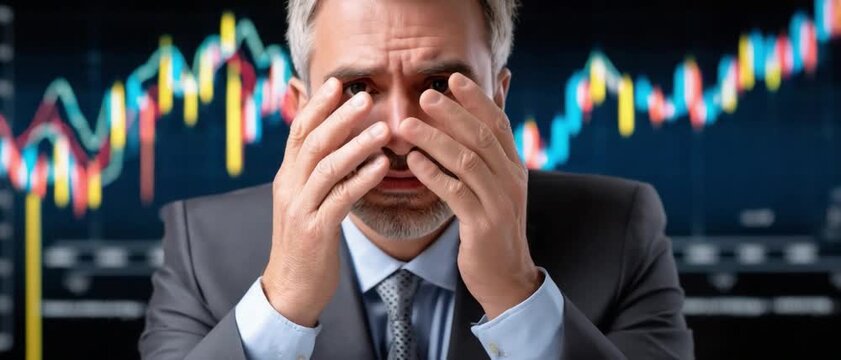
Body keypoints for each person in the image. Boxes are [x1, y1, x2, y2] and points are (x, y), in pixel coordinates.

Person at [139, 0, 693, 359]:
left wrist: (516, 296)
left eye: (441, 82)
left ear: (497, 99)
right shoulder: (200, 247)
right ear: (300, 108)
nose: (400, 132)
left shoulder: (620, 233)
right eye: (358, 88)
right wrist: (283, 303)